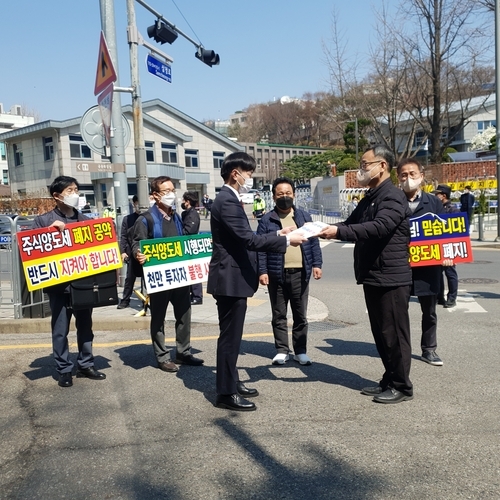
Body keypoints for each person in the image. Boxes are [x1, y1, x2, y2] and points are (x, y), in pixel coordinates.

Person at [207, 152, 307, 412]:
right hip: (229, 278)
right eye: (248, 173)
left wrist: (277, 232)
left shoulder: (230, 199)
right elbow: (248, 240)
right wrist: (286, 240)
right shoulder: (227, 201)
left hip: (232, 278)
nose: (250, 178)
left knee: (234, 337)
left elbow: (246, 235)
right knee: (230, 338)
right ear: (235, 173)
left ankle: (232, 381)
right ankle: (226, 393)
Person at [319, 145, 414, 404]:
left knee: (394, 333)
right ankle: (390, 378)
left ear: (382, 166)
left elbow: (379, 228)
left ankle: (402, 386)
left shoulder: (393, 196)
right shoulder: (371, 196)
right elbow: (351, 225)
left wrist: (336, 233)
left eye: (364, 164)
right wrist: (320, 229)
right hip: (374, 274)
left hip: (391, 276)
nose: (361, 170)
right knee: (382, 333)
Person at [33, 176, 106, 388]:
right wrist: (48, 233)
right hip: (58, 287)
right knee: (60, 328)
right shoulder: (43, 221)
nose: (75, 194)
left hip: (83, 285)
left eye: (76, 190)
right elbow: (30, 250)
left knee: (85, 326)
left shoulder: (85, 221)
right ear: (57, 196)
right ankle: (64, 369)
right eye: (70, 190)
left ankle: (86, 364)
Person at [131, 176, 204, 373]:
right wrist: (139, 254)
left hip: (179, 276)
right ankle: (162, 356)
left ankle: (183, 352)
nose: (171, 195)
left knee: (184, 314)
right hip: (159, 278)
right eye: (166, 191)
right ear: (155, 195)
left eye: (173, 190)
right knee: (159, 317)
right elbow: (136, 243)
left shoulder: (176, 217)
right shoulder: (145, 219)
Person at [257, 177, 322, 366]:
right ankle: (281, 350)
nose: (284, 197)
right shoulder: (267, 219)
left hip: (300, 273)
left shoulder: (303, 217)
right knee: (279, 314)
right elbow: (260, 247)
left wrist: (317, 264)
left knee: (300, 314)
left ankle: (300, 350)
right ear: (273, 196)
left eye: (287, 193)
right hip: (276, 272)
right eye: (280, 194)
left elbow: (314, 242)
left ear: (293, 194)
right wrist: (262, 271)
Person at [397, 159, 445, 367]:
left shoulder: (433, 202)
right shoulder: (393, 200)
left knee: (430, 311)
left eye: (413, 174)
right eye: (404, 175)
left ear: (422, 176)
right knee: (399, 312)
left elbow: (445, 232)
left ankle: (429, 349)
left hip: (428, 265)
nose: (408, 178)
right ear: (398, 178)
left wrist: (447, 253)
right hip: (400, 266)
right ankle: (401, 349)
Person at [433, 184, 459, 309]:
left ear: (443, 196)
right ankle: (440, 297)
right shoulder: (436, 208)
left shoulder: (453, 210)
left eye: (437, 194)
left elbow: (458, 230)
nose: (435, 196)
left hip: (449, 245)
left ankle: (452, 298)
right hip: (437, 245)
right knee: (437, 273)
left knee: (450, 273)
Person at [117, 195, 140, 309]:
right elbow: (124, 237)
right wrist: (123, 251)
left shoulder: (149, 217)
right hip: (132, 253)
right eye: (137, 202)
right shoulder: (128, 219)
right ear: (134, 203)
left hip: (147, 253)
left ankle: (150, 300)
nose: (139, 205)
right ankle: (125, 300)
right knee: (130, 278)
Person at [181, 191, 203, 305]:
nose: (182, 202)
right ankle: (192, 294)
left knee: (194, 270)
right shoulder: (186, 213)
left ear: (188, 202)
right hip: (186, 246)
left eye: (183, 200)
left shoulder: (193, 214)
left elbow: (189, 230)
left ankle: (197, 296)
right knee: (189, 270)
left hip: (191, 245)